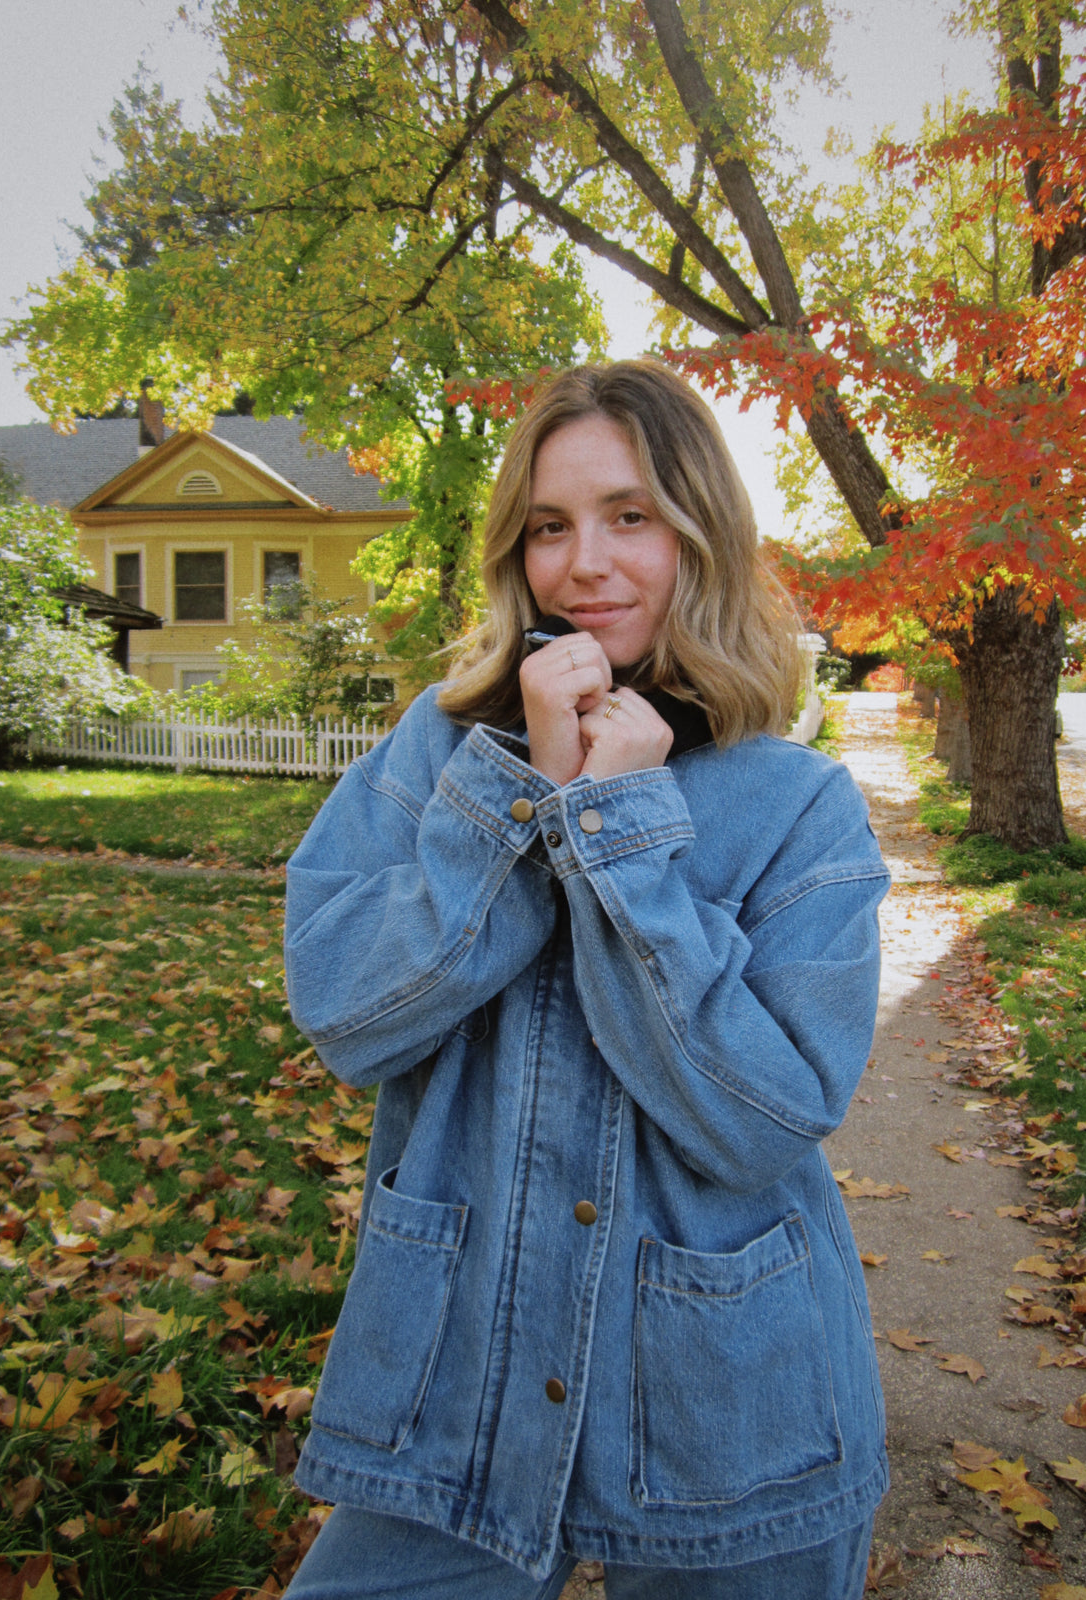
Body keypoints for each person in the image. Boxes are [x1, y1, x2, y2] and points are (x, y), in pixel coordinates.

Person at [282, 361, 890, 1600]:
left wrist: (619, 826)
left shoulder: (799, 805)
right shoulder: (440, 748)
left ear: (701, 535)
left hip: (732, 1397)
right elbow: (347, 1005)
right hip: (465, 1367)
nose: (585, 564)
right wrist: (520, 794)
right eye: (550, 526)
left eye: (632, 517)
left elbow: (762, 1114)